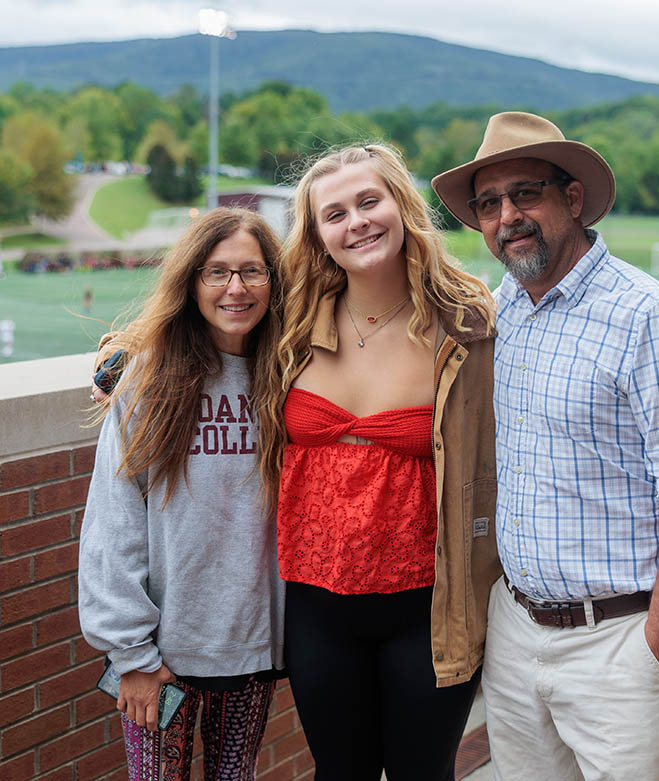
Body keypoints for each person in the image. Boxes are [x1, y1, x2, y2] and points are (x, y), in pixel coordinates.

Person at [432, 112, 659, 780]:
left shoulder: (647, 313)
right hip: (515, 630)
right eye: (489, 203)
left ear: (572, 199)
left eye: (525, 194)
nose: (507, 215)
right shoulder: (499, 310)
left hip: (619, 636)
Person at [267, 143, 501, 779]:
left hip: (429, 608)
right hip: (317, 605)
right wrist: (118, 359)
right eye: (334, 214)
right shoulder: (287, 322)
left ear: (402, 206)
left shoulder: (469, 324)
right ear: (317, 235)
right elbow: (193, 324)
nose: (357, 222)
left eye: (369, 201)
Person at [78, 208, 287, 780]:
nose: (236, 288)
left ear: (275, 281)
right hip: (160, 656)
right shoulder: (147, 379)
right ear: (191, 281)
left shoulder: (291, 376)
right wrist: (131, 656)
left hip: (253, 646)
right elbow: (113, 524)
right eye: (216, 272)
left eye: (253, 271)